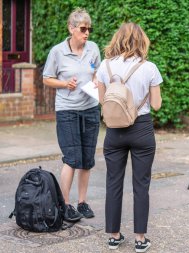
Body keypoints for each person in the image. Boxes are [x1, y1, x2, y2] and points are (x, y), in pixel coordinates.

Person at [96, 22, 163, 252]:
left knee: (113, 183)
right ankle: (140, 240)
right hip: (142, 128)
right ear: (141, 41)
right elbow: (156, 104)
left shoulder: (105, 67)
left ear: (118, 39)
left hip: (114, 130)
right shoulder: (150, 67)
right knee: (141, 185)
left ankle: (114, 236)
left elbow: (102, 102)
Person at [43, 8, 101, 222]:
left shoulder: (93, 49)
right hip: (67, 110)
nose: (87, 33)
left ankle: (82, 202)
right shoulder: (57, 52)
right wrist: (64, 83)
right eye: (83, 29)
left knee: (87, 159)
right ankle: (65, 204)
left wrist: (96, 80)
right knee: (72, 158)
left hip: (90, 108)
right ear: (71, 28)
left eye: (89, 29)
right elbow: (47, 78)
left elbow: (97, 71)